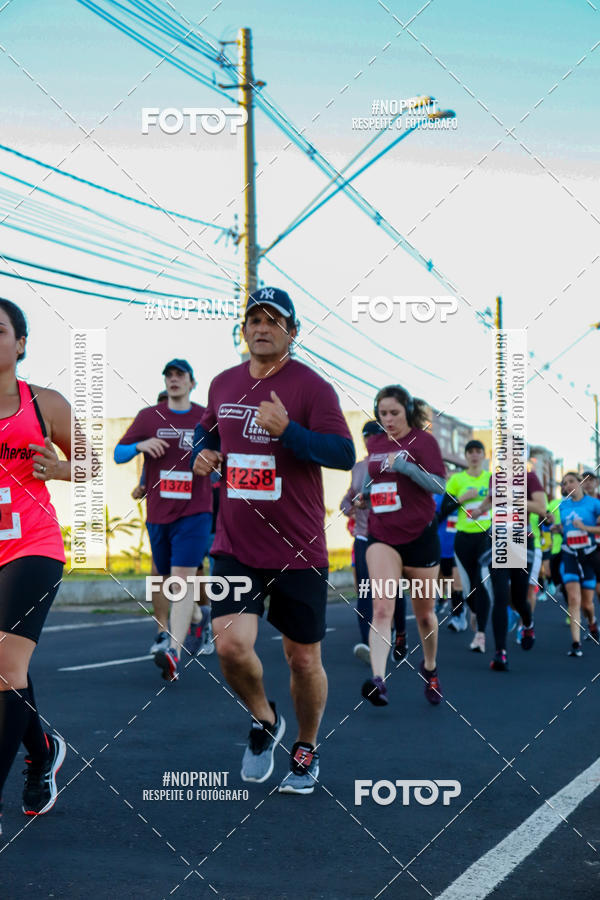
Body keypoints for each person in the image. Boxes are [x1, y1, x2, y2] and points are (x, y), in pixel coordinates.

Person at [191, 287, 355, 794]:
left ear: (292, 331)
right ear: (244, 330)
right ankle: (265, 720)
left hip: (298, 548)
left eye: (273, 320)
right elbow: (208, 431)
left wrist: (289, 431)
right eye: (253, 320)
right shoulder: (223, 384)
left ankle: (306, 745)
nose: (261, 328)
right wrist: (205, 453)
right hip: (235, 544)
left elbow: (344, 454)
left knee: (302, 659)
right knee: (231, 647)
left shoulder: (313, 388)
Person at [0, 298, 71, 834]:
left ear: (20, 344)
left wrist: (61, 466)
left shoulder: (44, 403)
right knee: (9, 672)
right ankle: (42, 750)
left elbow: (90, 461)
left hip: (33, 547)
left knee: (3, 666)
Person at [114, 360, 212, 681]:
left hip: (195, 512)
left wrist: (214, 465)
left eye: (179, 375)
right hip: (158, 514)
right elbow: (118, 453)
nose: (173, 380)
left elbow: (225, 453)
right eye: (168, 376)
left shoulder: (205, 417)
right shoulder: (148, 417)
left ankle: (173, 651)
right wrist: (139, 445)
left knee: (181, 579)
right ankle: (198, 617)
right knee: (170, 582)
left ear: (191, 382)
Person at [358, 384, 446, 706]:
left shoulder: (423, 442)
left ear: (407, 411)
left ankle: (431, 668)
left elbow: (439, 485)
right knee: (382, 608)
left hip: (421, 538)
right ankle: (378, 679)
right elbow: (381, 486)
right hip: (382, 535)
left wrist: (406, 466)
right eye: (382, 414)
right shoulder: (376, 443)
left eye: (394, 413)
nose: (388, 419)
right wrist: (364, 498)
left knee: (425, 616)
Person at [340, 420, 407, 665]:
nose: (370, 440)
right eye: (366, 436)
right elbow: (346, 501)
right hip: (363, 536)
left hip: (390, 537)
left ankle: (399, 633)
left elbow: (404, 498)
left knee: (393, 591)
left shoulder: (395, 466)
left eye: (375, 435)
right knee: (365, 591)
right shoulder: (358, 468)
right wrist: (350, 507)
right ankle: (368, 643)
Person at [473, 467, 547, 670]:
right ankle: (500, 653)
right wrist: (480, 509)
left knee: (519, 598)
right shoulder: (494, 477)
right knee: (500, 596)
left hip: (522, 540)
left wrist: (512, 498)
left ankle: (528, 624)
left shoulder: (530, 477)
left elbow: (541, 507)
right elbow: (491, 499)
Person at [441, 440, 492, 653]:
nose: (474, 455)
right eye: (470, 452)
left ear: (483, 455)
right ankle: (473, 612)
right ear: (466, 456)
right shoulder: (456, 479)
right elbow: (443, 510)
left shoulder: (491, 479)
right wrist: (462, 498)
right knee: (469, 588)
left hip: (486, 535)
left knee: (481, 581)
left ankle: (480, 634)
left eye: (478, 451)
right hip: (463, 537)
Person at [556, 472, 600, 656]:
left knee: (587, 604)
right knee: (574, 599)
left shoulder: (594, 504)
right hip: (569, 554)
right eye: (565, 483)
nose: (568, 485)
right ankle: (576, 644)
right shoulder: (562, 505)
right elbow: (564, 530)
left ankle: (591, 622)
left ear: (580, 483)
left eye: (572, 481)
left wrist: (585, 528)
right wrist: (556, 528)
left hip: (589, 554)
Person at [434, 488, 464, 629]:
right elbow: (435, 517)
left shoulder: (467, 496)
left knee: (454, 583)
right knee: (440, 579)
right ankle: (442, 599)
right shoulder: (438, 497)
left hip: (458, 547)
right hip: (440, 545)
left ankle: (458, 614)